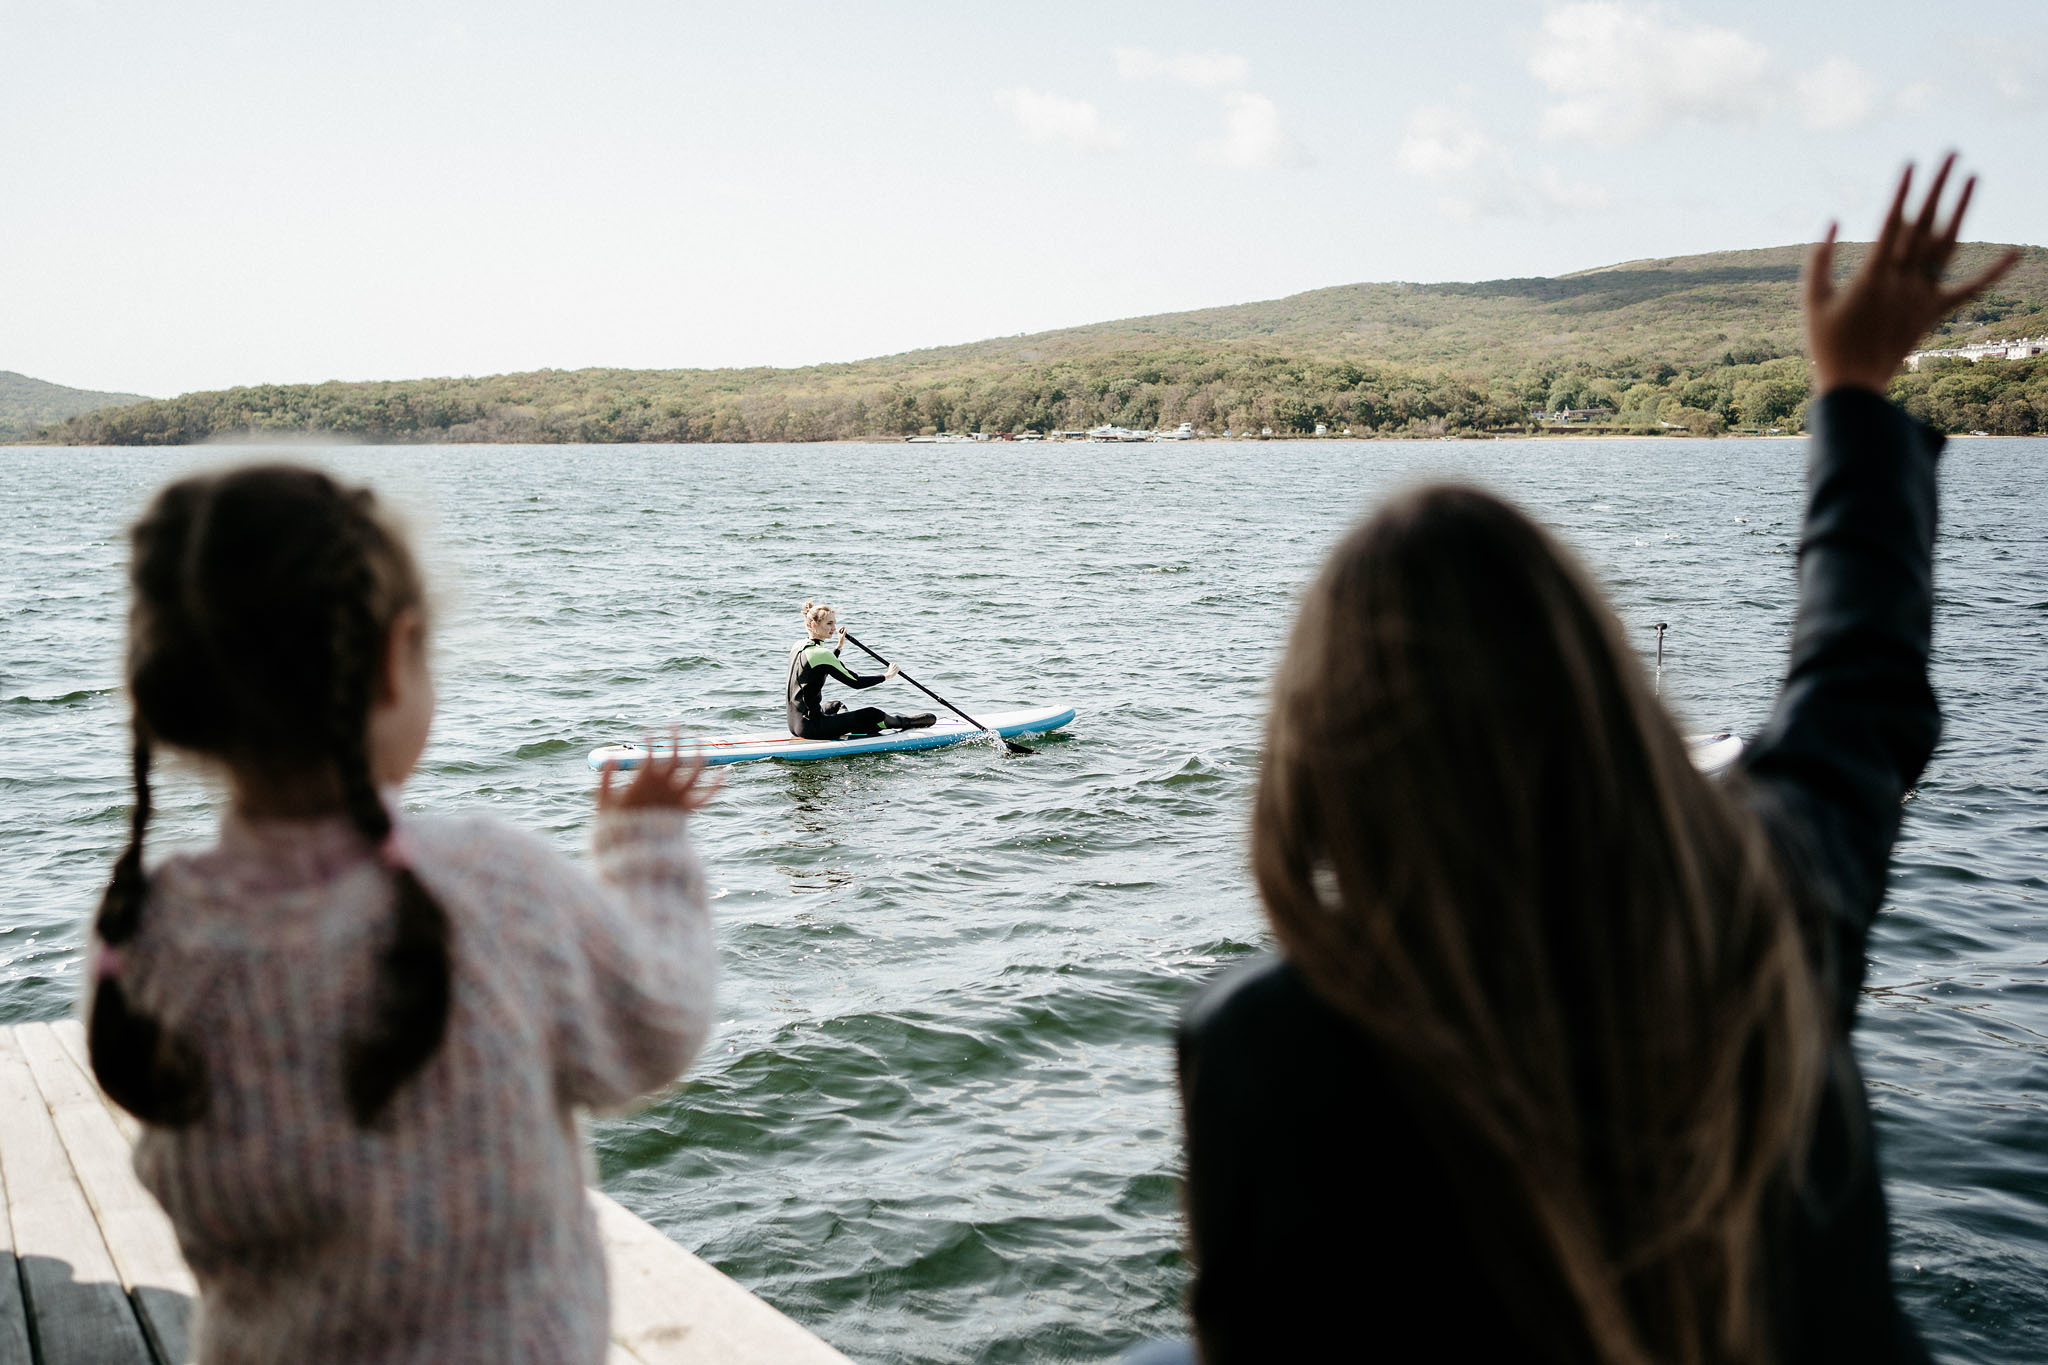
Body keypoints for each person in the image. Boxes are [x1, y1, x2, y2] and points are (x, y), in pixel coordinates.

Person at [1169, 157, 2019, 1364]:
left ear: (1323, 763)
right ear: (1599, 692)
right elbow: (1860, 674)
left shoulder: (1264, 1042)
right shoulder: (1770, 891)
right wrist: (1851, 395)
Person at [87, 464, 720, 1365]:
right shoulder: (493, 888)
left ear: (168, 699)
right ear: (394, 656)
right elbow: (657, 1022)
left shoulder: (147, 934)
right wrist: (645, 851)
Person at [787, 598, 934, 739]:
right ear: (814, 625)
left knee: (836, 706)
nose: (834, 628)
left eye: (834, 623)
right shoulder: (822, 654)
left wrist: (839, 646)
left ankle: (850, 726)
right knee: (872, 713)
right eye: (829, 623)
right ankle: (905, 722)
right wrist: (886, 676)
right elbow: (855, 682)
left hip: (794, 724)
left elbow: (817, 668)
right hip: (812, 727)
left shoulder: (798, 646)